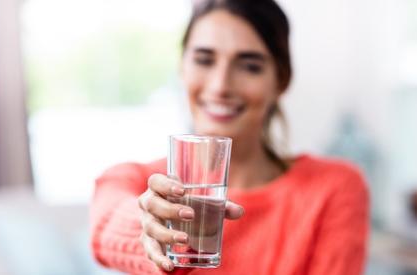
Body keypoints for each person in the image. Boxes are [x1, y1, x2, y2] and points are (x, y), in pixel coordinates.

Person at [90, 0, 369, 274]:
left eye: (249, 66)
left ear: (281, 80)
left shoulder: (333, 188)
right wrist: (151, 229)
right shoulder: (134, 181)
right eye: (204, 60)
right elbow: (109, 223)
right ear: (182, 68)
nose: (221, 85)